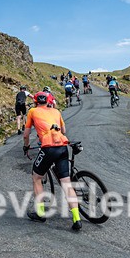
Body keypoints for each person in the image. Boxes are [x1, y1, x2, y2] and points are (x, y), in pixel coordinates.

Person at [22, 93, 82, 231]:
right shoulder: (56, 111)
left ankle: (41, 213)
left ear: (36, 101)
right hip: (62, 147)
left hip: (48, 148)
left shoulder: (32, 111)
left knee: (36, 177)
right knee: (66, 183)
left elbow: (26, 134)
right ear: (49, 101)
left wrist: (26, 146)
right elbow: (64, 130)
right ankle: (77, 219)